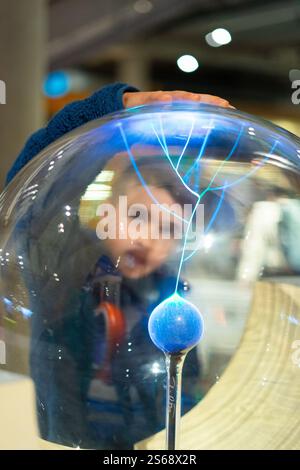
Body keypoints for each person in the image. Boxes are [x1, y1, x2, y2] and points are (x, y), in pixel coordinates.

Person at [6, 83, 234, 449]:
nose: (148, 238)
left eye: (169, 228)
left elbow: (182, 394)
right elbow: (38, 188)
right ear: (104, 214)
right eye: (138, 216)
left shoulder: (173, 303)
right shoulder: (63, 273)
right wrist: (108, 108)